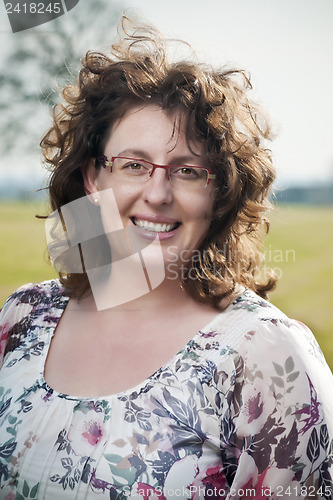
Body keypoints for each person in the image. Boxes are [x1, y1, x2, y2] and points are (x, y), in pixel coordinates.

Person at [0, 17, 332, 500]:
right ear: (95, 177)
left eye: (189, 171)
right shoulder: (24, 317)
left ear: (220, 192)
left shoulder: (267, 359)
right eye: (133, 165)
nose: (157, 193)